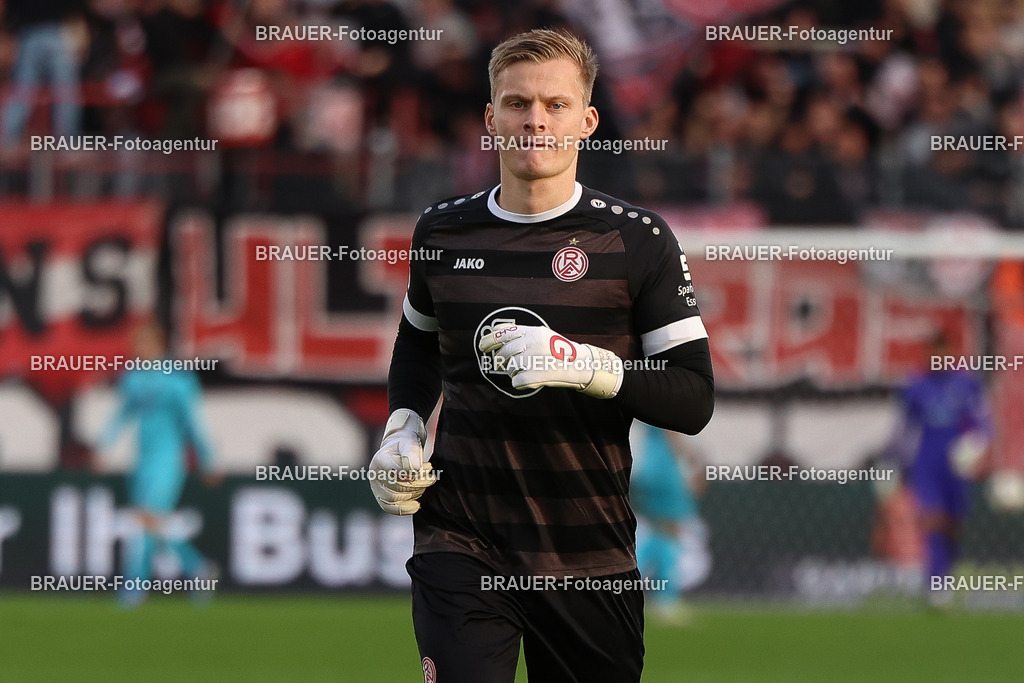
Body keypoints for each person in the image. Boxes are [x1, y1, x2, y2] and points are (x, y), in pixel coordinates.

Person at [368, 28, 714, 682]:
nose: (535, 119)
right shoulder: (443, 231)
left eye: (555, 105)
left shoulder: (637, 242)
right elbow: (418, 342)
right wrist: (402, 430)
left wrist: (587, 366)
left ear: (586, 120)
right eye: (518, 103)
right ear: (491, 118)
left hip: (589, 554)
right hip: (461, 538)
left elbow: (693, 397)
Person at [98, 320, 220, 607]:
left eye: (143, 344)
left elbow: (192, 422)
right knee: (150, 522)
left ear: (158, 345)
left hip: (167, 460)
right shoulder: (133, 379)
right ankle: (198, 569)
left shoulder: (177, 380)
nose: (138, 349)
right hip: (142, 459)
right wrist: (104, 446)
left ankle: (134, 587)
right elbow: (122, 414)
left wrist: (207, 459)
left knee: (148, 519)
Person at [887, 332, 991, 606]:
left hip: (958, 463)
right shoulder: (915, 386)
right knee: (932, 519)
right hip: (926, 460)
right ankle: (936, 584)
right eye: (933, 353)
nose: (938, 358)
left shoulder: (967, 384)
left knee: (954, 524)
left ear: (952, 352)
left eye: (943, 352)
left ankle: (946, 572)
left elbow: (981, 422)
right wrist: (893, 462)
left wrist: (977, 449)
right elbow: (903, 429)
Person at [630, 422, 710, 625]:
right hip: (665, 467)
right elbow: (671, 430)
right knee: (669, 531)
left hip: (652, 464)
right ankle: (664, 599)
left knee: (661, 532)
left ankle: (626, 587)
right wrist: (690, 456)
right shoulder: (669, 400)